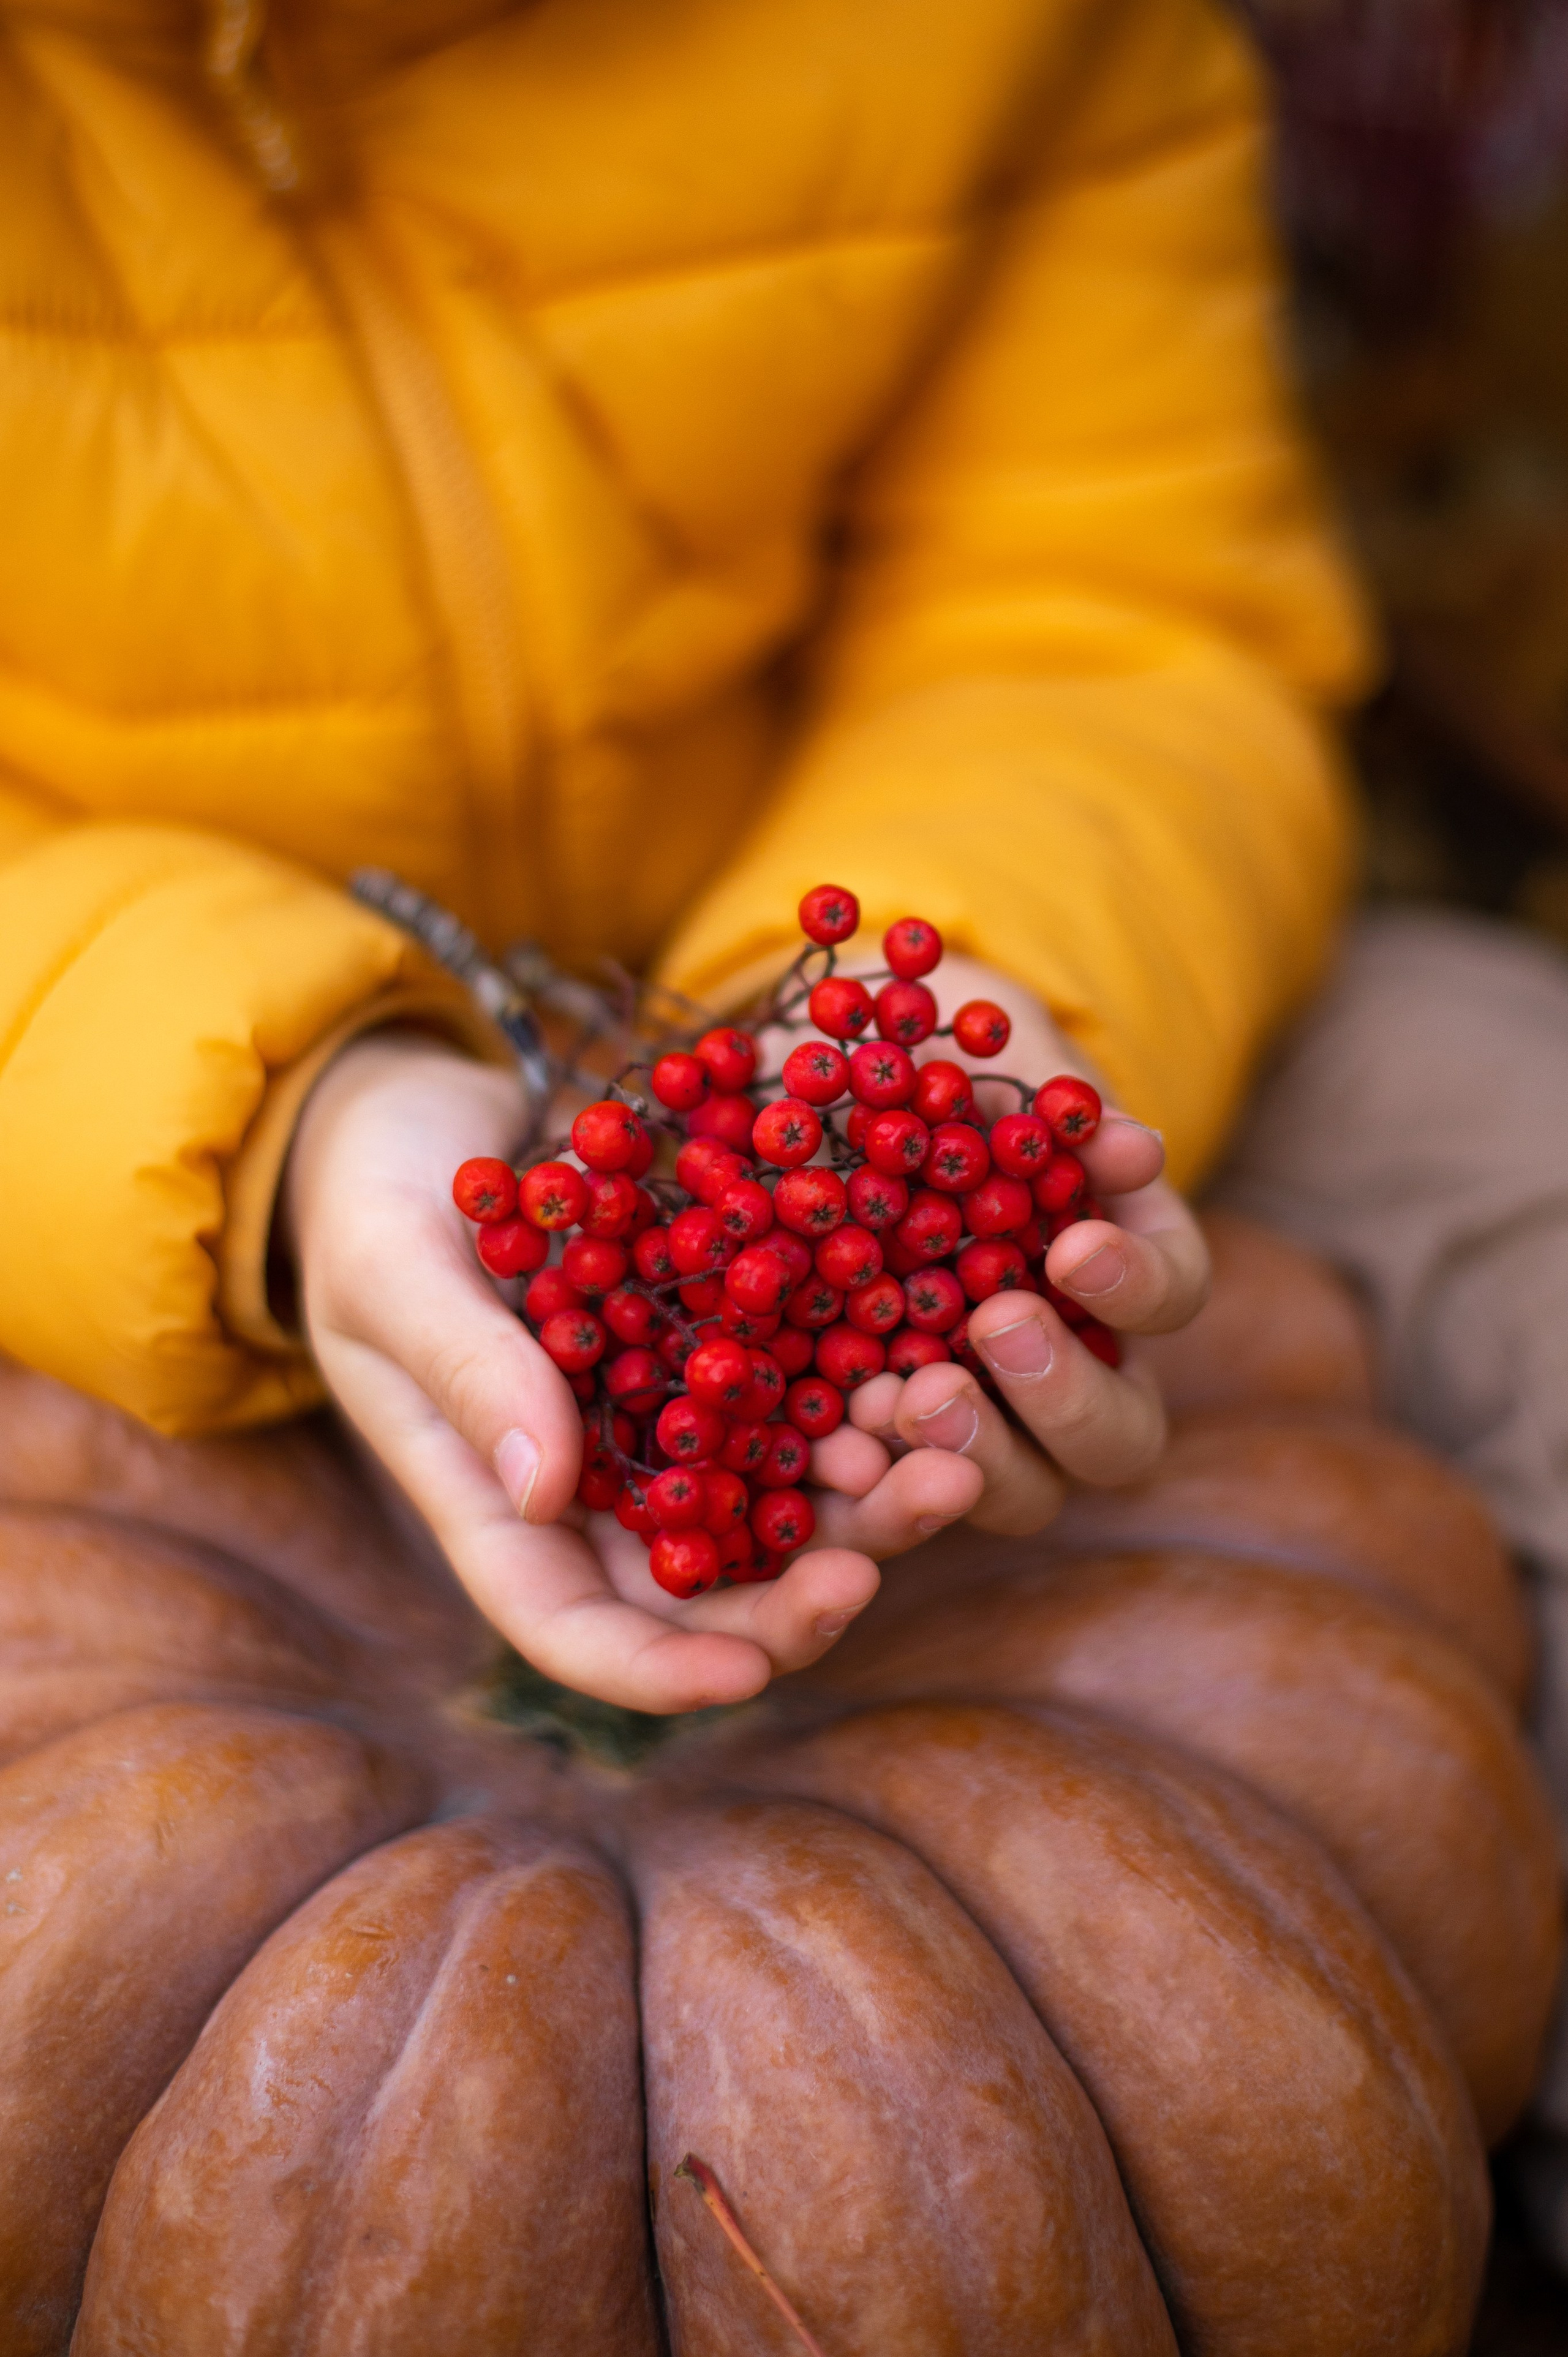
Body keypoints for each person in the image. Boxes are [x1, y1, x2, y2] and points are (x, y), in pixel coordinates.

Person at [0, 0, 1368, 1711]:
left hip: (848, 922)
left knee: (1495, 1114)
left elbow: (1111, 613)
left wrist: (980, 941)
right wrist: (278, 1120)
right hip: (102, 1148)